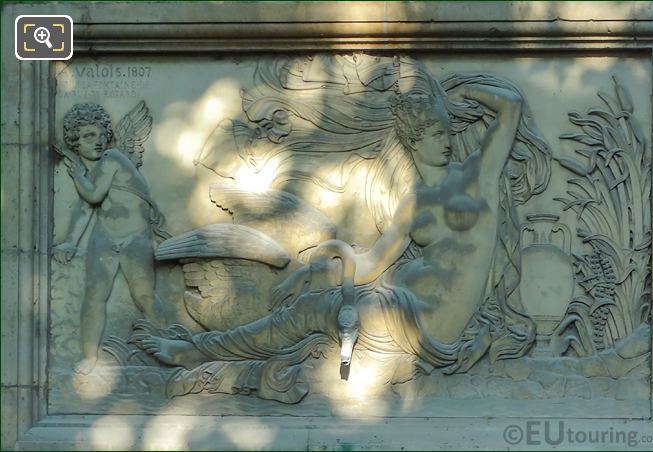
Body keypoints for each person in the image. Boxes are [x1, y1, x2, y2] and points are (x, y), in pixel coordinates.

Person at [133, 57, 550, 402]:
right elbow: (369, 264)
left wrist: (452, 96)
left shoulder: (478, 176)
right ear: (412, 139)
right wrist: (315, 268)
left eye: (445, 130)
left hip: (430, 323)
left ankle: (198, 351)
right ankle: (211, 360)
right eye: (434, 132)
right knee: (310, 320)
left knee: (311, 313)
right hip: (399, 307)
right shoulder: (412, 205)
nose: (444, 140)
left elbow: (511, 105)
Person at [54, 103, 168, 375]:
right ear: (75, 142)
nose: (97, 141)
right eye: (86, 136)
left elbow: (92, 195)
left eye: (99, 133)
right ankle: (89, 358)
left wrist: (78, 174)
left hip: (135, 237)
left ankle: (168, 347)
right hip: (104, 236)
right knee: (94, 297)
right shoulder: (91, 170)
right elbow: (86, 208)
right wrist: (70, 241)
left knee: (144, 296)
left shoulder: (114, 158)